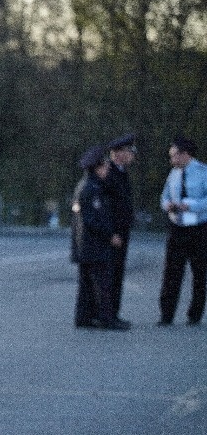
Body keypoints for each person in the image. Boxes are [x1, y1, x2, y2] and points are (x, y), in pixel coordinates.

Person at [70, 146, 128, 330]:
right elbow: (93, 219)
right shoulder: (92, 189)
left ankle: (84, 317)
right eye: (104, 167)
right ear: (98, 168)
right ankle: (106, 318)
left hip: (85, 246)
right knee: (102, 284)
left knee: (86, 285)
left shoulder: (84, 185)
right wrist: (111, 236)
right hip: (95, 246)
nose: (107, 171)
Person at [158, 136, 207, 326]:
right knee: (171, 272)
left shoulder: (203, 172)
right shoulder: (173, 174)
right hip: (177, 227)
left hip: (198, 228)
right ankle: (166, 314)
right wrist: (167, 205)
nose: (171, 160)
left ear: (185, 154)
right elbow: (163, 197)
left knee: (199, 272)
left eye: (173, 156)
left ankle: (194, 314)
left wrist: (192, 206)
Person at [105, 133, 136, 326]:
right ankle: (108, 314)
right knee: (110, 273)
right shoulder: (109, 173)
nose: (132, 155)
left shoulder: (121, 171)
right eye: (129, 151)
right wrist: (111, 232)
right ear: (118, 153)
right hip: (113, 232)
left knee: (117, 272)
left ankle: (113, 313)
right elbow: (108, 206)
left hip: (121, 230)